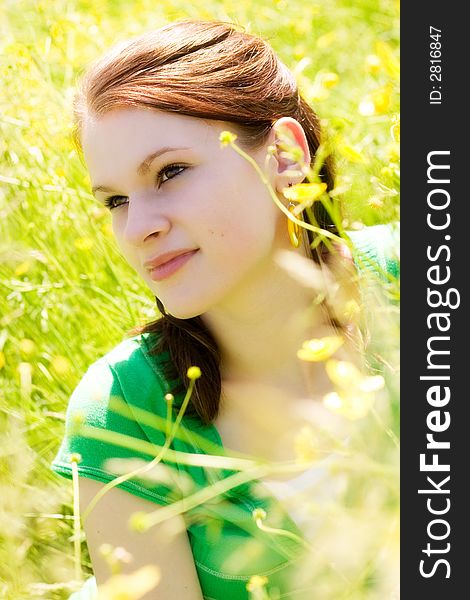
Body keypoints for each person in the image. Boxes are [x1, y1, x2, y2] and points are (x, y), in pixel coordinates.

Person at [51, 19, 398, 600]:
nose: (138, 227)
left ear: (285, 155)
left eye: (170, 172)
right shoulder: (126, 409)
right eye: (115, 200)